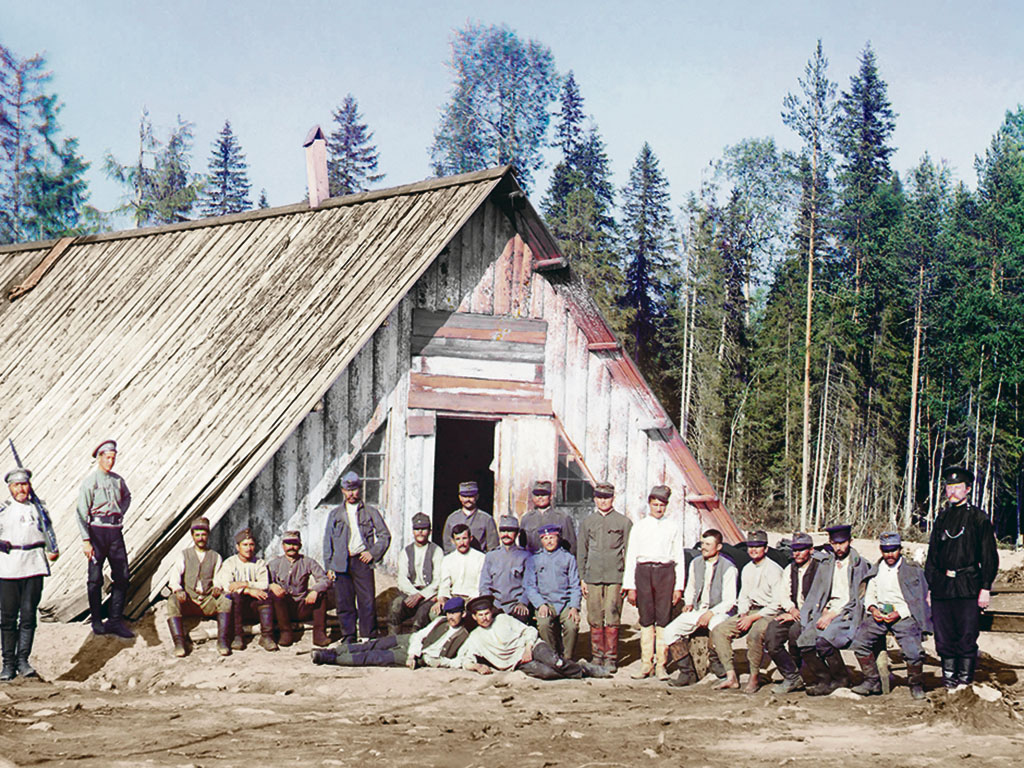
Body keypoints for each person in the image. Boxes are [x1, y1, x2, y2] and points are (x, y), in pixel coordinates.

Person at [925, 466, 998, 689]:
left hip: (968, 586)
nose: (953, 491)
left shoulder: (978, 518)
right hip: (943, 587)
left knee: (966, 636)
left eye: (958, 487)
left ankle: (964, 684)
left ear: (967, 489)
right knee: (944, 637)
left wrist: (985, 587)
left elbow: (989, 556)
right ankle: (949, 683)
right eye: (949, 487)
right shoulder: (942, 519)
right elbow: (933, 557)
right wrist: (932, 586)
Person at [850, 532, 931, 700]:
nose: (890, 554)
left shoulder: (912, 570)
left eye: (893, 550)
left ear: (900, 549)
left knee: (913, 652)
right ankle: (872, 680)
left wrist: (898, 613)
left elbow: (918, 600)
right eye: (886, 550)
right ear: (881, 550)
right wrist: (873, 609)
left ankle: (916, 684)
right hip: (880, 615)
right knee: (859, 643)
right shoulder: (876, 569)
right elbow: (869, 593)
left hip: (903, 615)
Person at [459, 595, 608, 680]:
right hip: (517, 662)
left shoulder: (503, 619)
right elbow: (466, 660)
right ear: (474, 617)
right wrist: (477, 666)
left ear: (491, 612)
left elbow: (529, 630)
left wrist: (528, 648)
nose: (485, 618)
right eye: (481, 615)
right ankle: (578, 669)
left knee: (555, 662)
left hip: (533, 646)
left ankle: (585, 670)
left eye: (487, 613)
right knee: (547, 673)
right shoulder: (475, 637)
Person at [797, 523, 870, 696]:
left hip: (847, 614)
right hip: (826, 611)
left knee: (824, 641)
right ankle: (824, 679)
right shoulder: (826, 564)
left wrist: (833, 614)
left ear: (850, 541)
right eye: (834, 543)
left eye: (842, 543)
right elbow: (816, 592)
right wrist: (813, 613)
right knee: (804, 641)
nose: (838, 547)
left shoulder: (860, 565)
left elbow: (858, 599)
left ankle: (841, 678)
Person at [0, 468, 59, 680]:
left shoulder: (38, 508)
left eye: (24, 484)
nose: (21, 489)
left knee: (28, 616)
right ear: (10, 487)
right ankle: (8, 665)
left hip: (34, 565)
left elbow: (49, 531)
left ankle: (23, 660)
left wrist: (53, 549)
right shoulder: (3, 510)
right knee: (7, 618)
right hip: (8, 567)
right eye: (16, 485)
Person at [622, 485, 686, 680]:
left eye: (662, 505)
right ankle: (645, 664)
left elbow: (679, 558)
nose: (658, 508)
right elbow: (631, 556)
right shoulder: (640, 526)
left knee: (663, 618)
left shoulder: (673, 526)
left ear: (666, 506)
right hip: (643, 573)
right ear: (649, 504)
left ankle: (661, 665)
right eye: (655, 504)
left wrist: (678, 587)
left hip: (665, 573)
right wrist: (630, 586)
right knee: (646, 618)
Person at [663, 529, 738, 688]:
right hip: (699, 610)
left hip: (720, 611)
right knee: (670, 630)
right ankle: (687, 672)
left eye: (708, 544)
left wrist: (711, 613)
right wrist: (689, 603)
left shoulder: (729, 568)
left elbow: (730, 601)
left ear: (718, 547)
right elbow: (690, 586)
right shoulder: (695, 563)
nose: (703, 547)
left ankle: (718, 665)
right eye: (703, 543)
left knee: (716, 627)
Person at [709, 530, 782, 692]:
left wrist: (753, 618)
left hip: (769, 613)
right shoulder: (747, 568)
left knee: (755, 634)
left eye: (758, 546)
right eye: (751, 546)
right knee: (720, 630)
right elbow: (744, 596)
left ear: (766, 548)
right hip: (751, 610)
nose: (754, 550)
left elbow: (777, 603)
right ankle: (731, 676)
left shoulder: (773, 570)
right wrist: (743, 613)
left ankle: (754, 676)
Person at [323, 470, 391, 642]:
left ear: (360, 489)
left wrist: (373, 553)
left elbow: (384, 535)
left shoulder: (370, 512)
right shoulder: (335, 514)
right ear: (342, 491)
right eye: (348, 489)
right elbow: (327, 541)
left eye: (355, 489)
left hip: (362, 561)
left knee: (367, 601)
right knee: (344, 602)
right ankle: (349, 635)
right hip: (341, 562)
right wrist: (329, 566)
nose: (351, 493)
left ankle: (368, 635)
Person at [312, 596, 470, 668]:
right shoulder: (440, 621)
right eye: (449, 613)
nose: (451, 617)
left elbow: (458, 662)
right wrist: (412, 653)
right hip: (411, 642)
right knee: (374, 644)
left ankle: (330, 659)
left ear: (463, 614)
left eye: (455, 613)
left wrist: (438, 662)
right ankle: (333, 651)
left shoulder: (464, 636)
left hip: (421, 657)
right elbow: (421, 635)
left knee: (374, 657)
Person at [76, 439, 133, 638]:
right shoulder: (90, 482)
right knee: (95, 578)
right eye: (107, 458)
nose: (110, 462)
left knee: (122, 576)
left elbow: (127, 497)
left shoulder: (118, 480)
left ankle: (115, 620)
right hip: (96, 532)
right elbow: (81, 512)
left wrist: (119, 513)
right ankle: (97, 620)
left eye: (113, 458)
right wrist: (86, 540)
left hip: (115, 532)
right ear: (99, 458)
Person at [576, 481, 632, 671]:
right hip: (592, 577)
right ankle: (597, 657)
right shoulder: (588, 522)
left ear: (613, 498)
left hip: (615, 576)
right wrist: (582, 577)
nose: (603, 501)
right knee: (594, 617)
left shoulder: (623, 522)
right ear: (594, 499)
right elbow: (581, 552)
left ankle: (611, 658)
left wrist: (628, 580)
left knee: (613, 615)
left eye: (607, 497)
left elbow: (630, 552)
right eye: (599, 497)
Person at [166, 516, 232, 657]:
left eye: (203, 534)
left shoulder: (215, 556)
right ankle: (179, 643)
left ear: (208, 535)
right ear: (193, 536)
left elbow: (219, 578)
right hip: (189, 601)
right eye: (197, 535)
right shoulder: (185, 555)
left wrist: (217, 587)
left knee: (226, 600)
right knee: (172, 600)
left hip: (208, 601)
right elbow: (174, 578)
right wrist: (178, 590)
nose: (201, 538)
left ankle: (222, 641)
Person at [764, 532, 816, 693]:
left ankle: (806, 673)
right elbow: (783, 594)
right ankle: (792, 676)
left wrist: (801, 612)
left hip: (812, 614)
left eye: (802, 549)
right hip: (793, 613)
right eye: (795, 549)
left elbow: (822, 595)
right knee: (772, 634)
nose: (797, 553)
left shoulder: (819, 569)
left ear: (811, 550)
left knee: (796, 633)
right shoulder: (790, 568)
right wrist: (791, 609)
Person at [214, 528, 277, 652]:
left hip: (254, 608)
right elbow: (228, 586)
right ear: (238, 547)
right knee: (234, 596)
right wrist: (248, 590)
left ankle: (267, 636)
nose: (249, 548)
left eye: (251, 545)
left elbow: (264, 584)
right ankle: (238, 636)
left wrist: (245, 584)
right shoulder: (230, 563)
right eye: (245, 545)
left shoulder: (260, 563)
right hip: (238, 608)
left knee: (266, 596)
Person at [524, 523, 582, 658]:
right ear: (541, 540)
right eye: (545, 538)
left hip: (565, 603)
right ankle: (552, 656)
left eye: (552, 537)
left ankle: (568, 658)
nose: (549, 541)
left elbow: (575, 585)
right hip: (546, 602)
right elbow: (530, 586)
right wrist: (540, 604)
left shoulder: (568, 558)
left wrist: (574, 606)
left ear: (558, 538)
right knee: (544, 624)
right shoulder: (534, 559)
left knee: (572, 625)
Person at [268, 530, 330, 647]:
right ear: (283, 546)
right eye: (288, 543)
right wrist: (271, 585)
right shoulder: (274, 563)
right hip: (283, 609)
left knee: (321, 595)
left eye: (295, 544)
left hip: (302, 606)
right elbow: (263, 582)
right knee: (275, 595)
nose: (291, 547)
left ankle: (319, 635)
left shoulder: (308, 562)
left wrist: (315, 590)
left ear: (300, 546)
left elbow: (325, 580)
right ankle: (285, 633)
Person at [389, 513, 444, 634]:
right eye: (417, 529)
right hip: (411, 592)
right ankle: (392, 641)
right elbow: (402, 579)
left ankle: (415, 644)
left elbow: (438, 580)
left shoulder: (436, 551)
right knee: (396, 606)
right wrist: (414, 594)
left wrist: (420, 596)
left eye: (424, 529)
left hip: (428, 595)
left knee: (421, 617)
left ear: (429, 531)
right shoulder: (406, 552)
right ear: (413, 531)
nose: (420, 532)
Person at [478, 515, 531, 621]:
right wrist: (488, 605)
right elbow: (484, 584)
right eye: (503, 531)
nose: (506, 534)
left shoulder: (526, 556)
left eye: (510, 531)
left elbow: (529, 585)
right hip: (495, 605)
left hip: (516, 605)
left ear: (517, 533)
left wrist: (523, 602)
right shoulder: (491, 556)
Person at [435, 524, 486, 610]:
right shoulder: (448, 559)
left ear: (471, 538)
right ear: (453, 541)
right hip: (453, 599)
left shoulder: (480, 558)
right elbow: (444, 584)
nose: (461, 543)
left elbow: (480, 584)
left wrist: (473, 600)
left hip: (472, 599)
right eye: (458, 539)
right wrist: (442, 599)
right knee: (435, 613)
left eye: (464, 538)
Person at [519, 480, 577, 554]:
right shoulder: (526, 519)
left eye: (543, 494)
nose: (540, 497)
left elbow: (571, 546)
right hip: (533, 561)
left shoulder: (562, 518)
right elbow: (522, 546)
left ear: (550, 496)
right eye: (537, 494)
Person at [441, 481, 498, 554]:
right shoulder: (452, 519)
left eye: (471, 496)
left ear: (477, 497)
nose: (468, 499)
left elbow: (493, 547)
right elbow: (447, 545)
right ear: (460, 497)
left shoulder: (486, 519)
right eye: (465, 496)